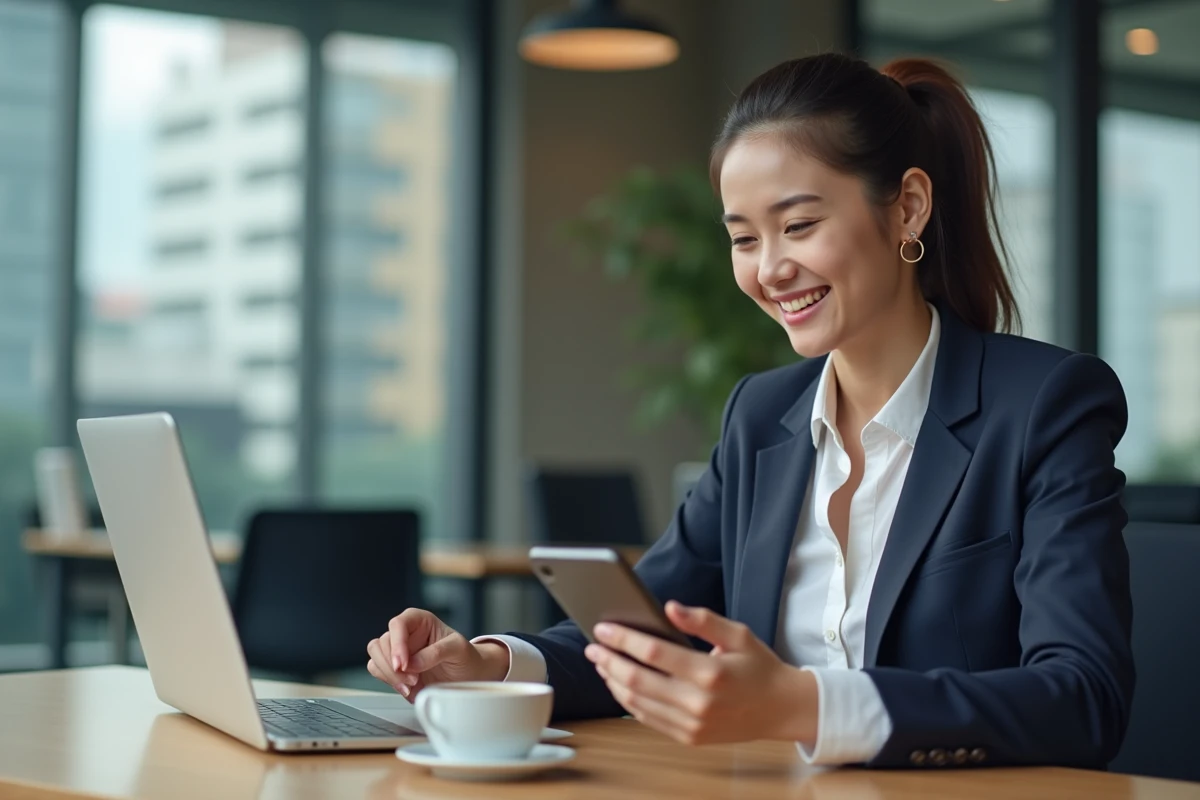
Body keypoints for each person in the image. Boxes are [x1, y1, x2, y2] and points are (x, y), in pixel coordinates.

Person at [366, 52, 1134, 769]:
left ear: (906, 207)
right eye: (744, 238)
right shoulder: (761, 415)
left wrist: (804, 705)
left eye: (799, 225)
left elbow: (1083, 697)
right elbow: (650, 631)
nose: (770, 269)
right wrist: (487, 665)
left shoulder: (1044, 405)